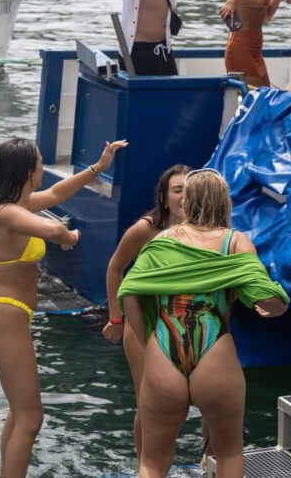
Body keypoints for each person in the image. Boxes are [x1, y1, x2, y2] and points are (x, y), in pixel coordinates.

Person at [117, 168, 289, 477]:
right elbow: (269, 302)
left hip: (164, 344)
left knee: (152, 462)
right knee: (229, 454)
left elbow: (128, 291)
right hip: (213, 345)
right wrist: (270, 306)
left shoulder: (162, 241)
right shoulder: (235, 242)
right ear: (225, 203)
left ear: (187, 203)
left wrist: (148, 341)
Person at [0, 137, 127, 477]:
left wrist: (97, 169)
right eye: (41, 162)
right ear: (29, 171)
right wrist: (68, 238)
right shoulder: (10, 211)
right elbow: (53, 226)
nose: (44, 167)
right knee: (31, 419)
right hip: (4, 318)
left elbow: (57, 196)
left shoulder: (12, 203)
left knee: (19, 413)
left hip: (3, 314)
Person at [102, 164, 190, 458]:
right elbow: (115, 268)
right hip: (142, 323)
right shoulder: (146, 228)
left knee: (185, 400)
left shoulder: (201, 229)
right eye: (178, 190)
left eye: (189, 190)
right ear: (165, 197)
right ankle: (146, 464)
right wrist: (116, 318)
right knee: (148, 402)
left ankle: (203, 459)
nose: (184, 196)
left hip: (180, 322)